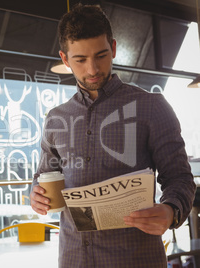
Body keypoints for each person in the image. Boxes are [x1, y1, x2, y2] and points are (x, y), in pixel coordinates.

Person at [30, 4, 196, 268]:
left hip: (135, 259)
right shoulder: (55, 118)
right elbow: (44, 176)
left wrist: (170, 210)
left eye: (101, 55)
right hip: (73, 258)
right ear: (64, 59)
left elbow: (180, 179)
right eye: (80, 60)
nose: (93, 69)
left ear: (114, 48)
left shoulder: (152, 107)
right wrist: (35, 194)